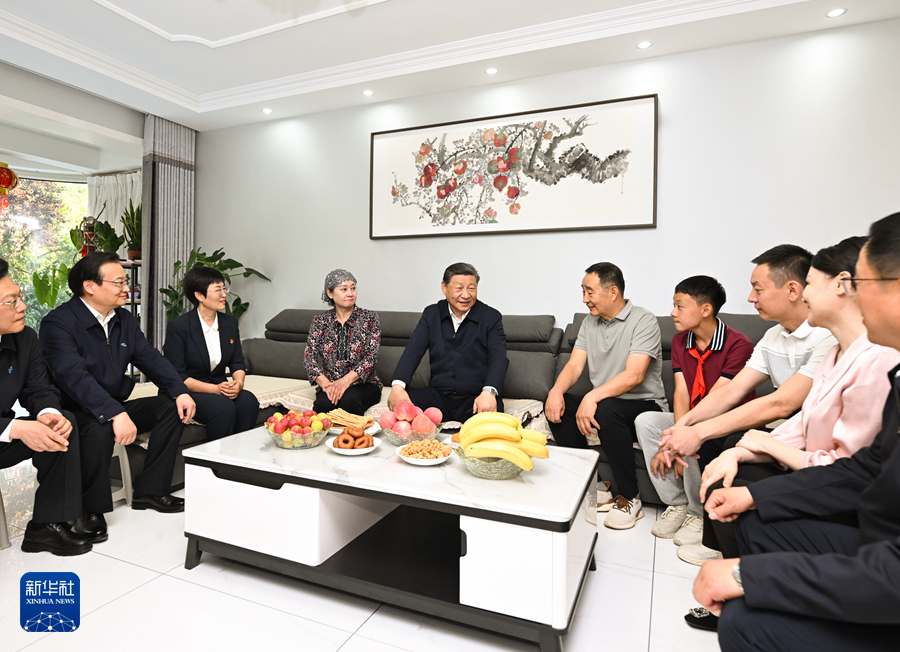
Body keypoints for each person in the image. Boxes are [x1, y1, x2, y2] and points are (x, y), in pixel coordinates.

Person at [693, 213, 900, 652]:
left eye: (864, 283)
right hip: (870, 523)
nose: (805, 292)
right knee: (749, 505)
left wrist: (751, 577)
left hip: (879, 545)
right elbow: (862, 466)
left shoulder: (880, 361)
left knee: (744, 623)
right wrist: (751, 484)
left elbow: (783, 408)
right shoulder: (840, 353)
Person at [659, 245, 836, 564]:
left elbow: (782, 403)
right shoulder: (773, 336)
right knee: (718, 446)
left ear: (792, 290)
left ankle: (737, 557)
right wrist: (682, 427)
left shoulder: (826, 337)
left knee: (727, 445)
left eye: (758, 289)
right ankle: (716, 546)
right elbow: (732, 390)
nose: (751, 298)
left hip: (812, 435)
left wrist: (699, 432)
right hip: (790, 430)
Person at [40, 252, 196, 538]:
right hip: (73, 410)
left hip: (111, 404)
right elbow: (74, 377)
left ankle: (150, 491)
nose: (127, 288)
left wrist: (180, 391)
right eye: (119, 282)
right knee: (99, 427)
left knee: (169, 407)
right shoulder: (58, 323)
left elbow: (151, 358)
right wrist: (114, 412)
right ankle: (90, 510)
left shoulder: (123, 318)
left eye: (126, 282)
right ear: (90, 286)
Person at [635, 276, 755, 547]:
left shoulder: (739, 345)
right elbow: (681, 392)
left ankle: (697, 512)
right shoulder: (680, 341)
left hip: (727, 421)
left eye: (680, 306)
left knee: (691, 434)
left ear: (705, 310)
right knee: (647, 421)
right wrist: (676, 433)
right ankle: (677, 503)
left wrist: (680, 437)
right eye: (673, 305)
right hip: (693, 415)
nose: (672, 312)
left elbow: (719, 399)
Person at [547, 263, 667, 530]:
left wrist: (592, 398)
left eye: (589, 292)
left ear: (613, 292)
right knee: (561, 405)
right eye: (583, 291)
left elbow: (635, 375)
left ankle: (630, 497)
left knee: (606, 408)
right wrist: (555, 392)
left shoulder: (644, 320)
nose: (584, 299)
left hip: (645, 407)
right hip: (606, 404)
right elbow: (574, 366)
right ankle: (597, 487)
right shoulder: (589, 323)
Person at [0, 257, 92, 555]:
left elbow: (39, 388)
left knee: (62, 423)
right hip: (5, 430)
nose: (23, 307)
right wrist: (16, 428)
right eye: (11, 302)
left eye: (20, 297)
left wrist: (47, 414)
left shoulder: (24, 338)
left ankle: (47, 525)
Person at [388, 263, 508, 422]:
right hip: (437, 396)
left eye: (471, 288)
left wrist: (489, 392)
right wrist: (397, 387)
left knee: (490, 413)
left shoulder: (491, 317)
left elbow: (498, 357)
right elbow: (413, 351)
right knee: (403, 405)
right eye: (459, 288)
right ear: (444, 287)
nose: (466, 295)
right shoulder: (432, 314)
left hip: (474, 397)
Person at [163, 266, 258, 440]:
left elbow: (237, 361)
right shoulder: (179, 327)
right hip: (188, 391)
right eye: (217, 290)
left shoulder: (229, 323)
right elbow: (176, 375)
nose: (224, 294)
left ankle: (240, 452)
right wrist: (215, 389)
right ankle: (216, 456)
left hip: (218, 387)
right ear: (199, 296)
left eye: (224, 289)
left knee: (248, 401)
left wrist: (238, 383)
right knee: (223, 407)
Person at [304, 269, 382, 415]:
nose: (350, 293)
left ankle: (355, 431)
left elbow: (371, 358)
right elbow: (309, 358)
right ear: (330, 293)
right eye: (344, 289)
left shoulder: (370, 318)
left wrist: (345, 382)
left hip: (364, 384)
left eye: (353, 288)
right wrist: (326, 385)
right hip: (331, 383)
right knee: (322, 404)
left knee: (349, 399)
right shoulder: (320, 321)